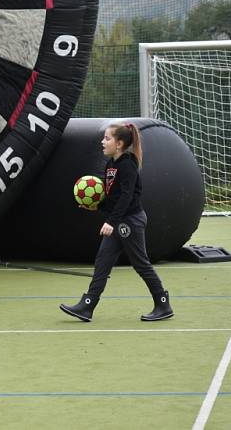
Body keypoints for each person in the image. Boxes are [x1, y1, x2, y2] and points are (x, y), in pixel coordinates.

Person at [60, 123, 174, 322]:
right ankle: (87, 306)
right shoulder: (111, 164)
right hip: (119, 221)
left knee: (141, 264)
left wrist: (112, 221)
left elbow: (127, 196)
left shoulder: (127, 164)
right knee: (102, 262)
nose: (102, 142)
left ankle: (163, 303)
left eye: (107, 139)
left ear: (119, 143)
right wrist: (97, 207)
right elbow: (113, 197)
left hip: (130, 221)